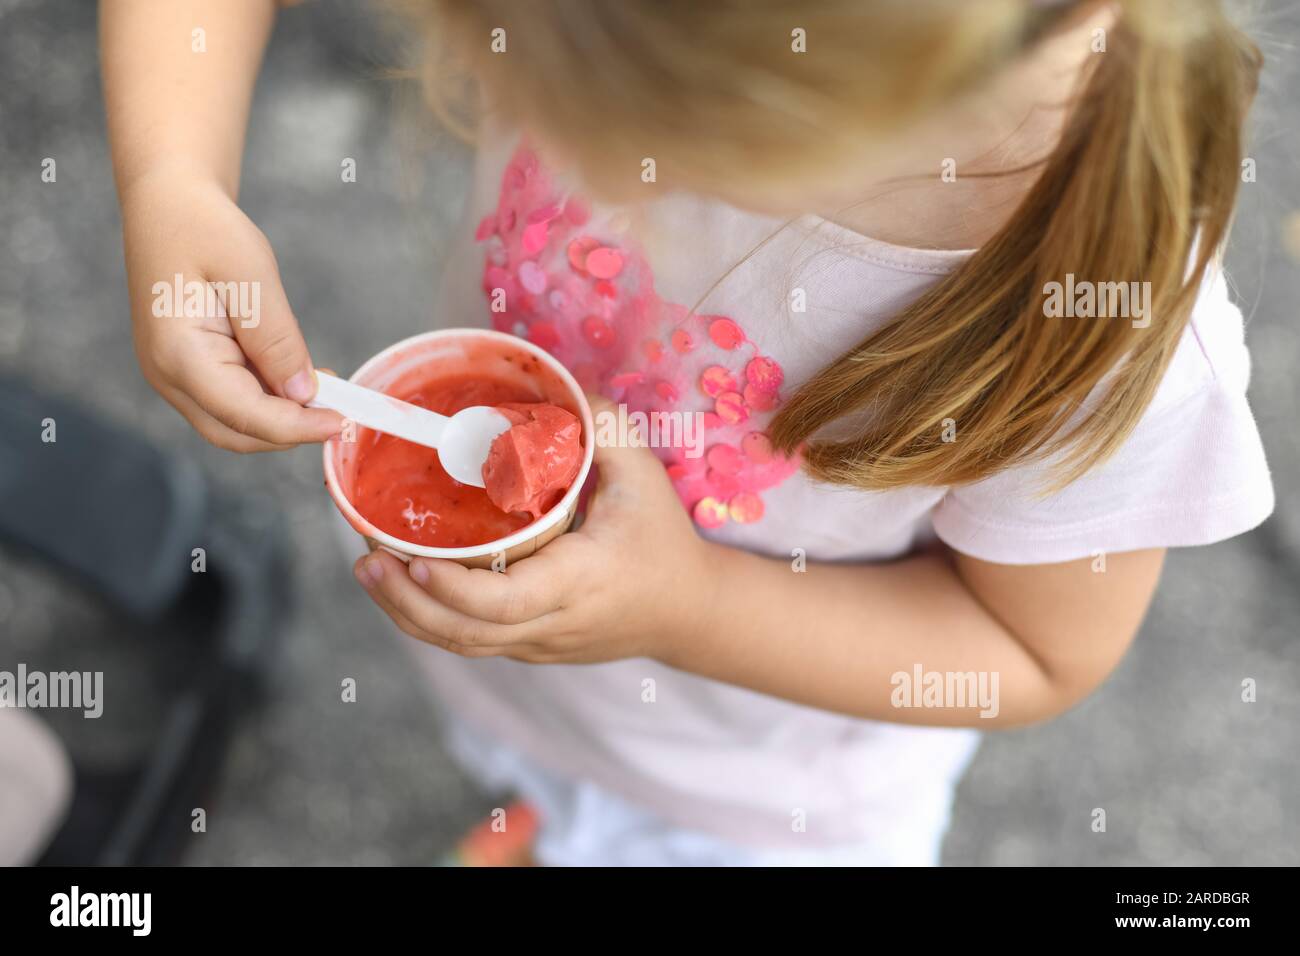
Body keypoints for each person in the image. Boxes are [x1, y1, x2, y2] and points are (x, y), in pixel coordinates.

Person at [101, 0, 1274, 865]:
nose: (610, 176)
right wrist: (172, 174)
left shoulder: (1106, 324)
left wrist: (686, 608)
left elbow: (1032, 651)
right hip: (531, 691)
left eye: (678, 152)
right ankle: (553, 819)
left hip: (755, 796)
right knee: (547, 792)